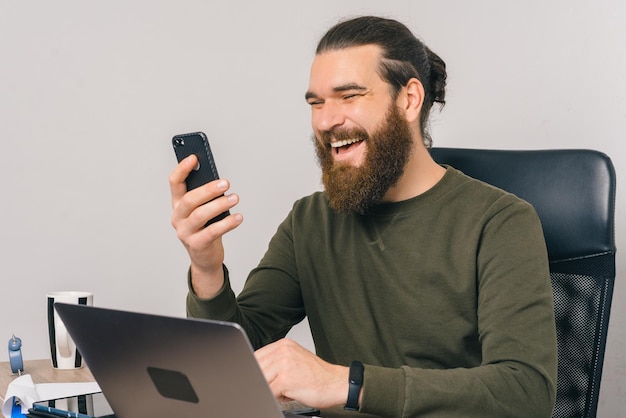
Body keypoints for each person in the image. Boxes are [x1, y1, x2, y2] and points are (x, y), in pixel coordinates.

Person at [169, 16, 557, 418]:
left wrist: (345, 384)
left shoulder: (500, 222)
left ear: (408, 99)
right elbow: (233, 358)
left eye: (348, 96)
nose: (325, 120)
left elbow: (525, 392)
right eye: (316, 103)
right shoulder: (310, 221)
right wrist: (206, 266)